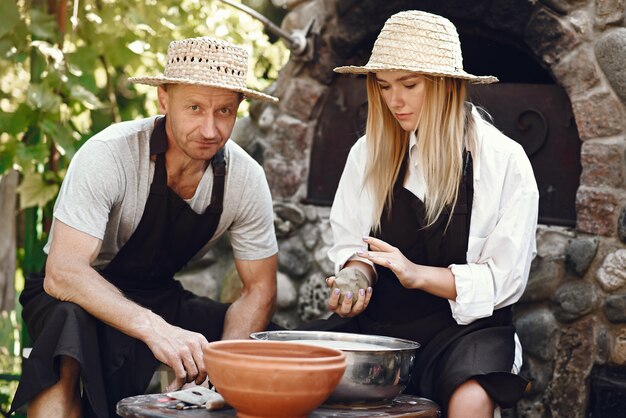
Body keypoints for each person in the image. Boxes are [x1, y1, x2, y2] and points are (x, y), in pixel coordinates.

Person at [10, 36, 279, 418]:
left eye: (224, 112)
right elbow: (63, 272)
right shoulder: (109, 154)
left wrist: (224, 363)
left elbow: (260, 289)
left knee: (264, 341)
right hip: (76, 290)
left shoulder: (246, 178)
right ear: (163, 100)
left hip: (157, 292)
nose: (210, 129)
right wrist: (156, 330)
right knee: (66, 328)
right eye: (195, 107)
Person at [320, 10, 538, 418]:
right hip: (382, 325)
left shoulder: (504, 160)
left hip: (467, 331)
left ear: (445, 86)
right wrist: (355, 276)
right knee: (296, 373)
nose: (394, 100)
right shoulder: (366, 152)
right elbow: (354, 245)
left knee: (470, 398)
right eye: (384, 86)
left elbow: (504, 281)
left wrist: (415, 273)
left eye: (409, 84)